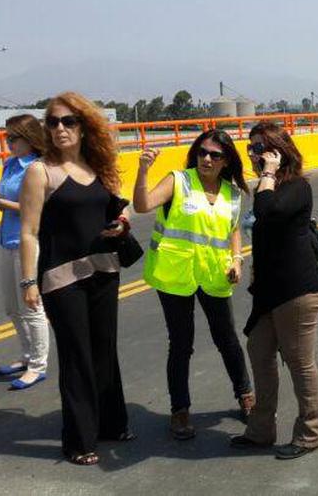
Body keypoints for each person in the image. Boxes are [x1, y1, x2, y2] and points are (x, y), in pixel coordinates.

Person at [18, 92, 133, 465]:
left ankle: (112, 424)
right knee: (77, 356)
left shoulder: (98, 165)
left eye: (68, 121)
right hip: (60, 279)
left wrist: (121, 225)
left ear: (84, 127)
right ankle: (80, 441)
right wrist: (28, 282)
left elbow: (117, 206)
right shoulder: (41, 171)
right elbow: (29, 232)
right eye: (52, 123)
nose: (60, 129)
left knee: (104, 349)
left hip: (104, 270)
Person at [134, 130, 254, 440]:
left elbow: (233, 230)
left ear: (226, 160)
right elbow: (143, 204)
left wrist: (237, 260)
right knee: (181, 343)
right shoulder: (179, 180)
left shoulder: (233, 194)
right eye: (202, 152)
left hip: (214, 274)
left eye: (215, 154)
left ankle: (246, 395)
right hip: (176, 275)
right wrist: (143, 170)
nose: (207, 158)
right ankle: (180, 410)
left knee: (227, 338)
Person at [231, 121, 318, 460]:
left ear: (278, 151)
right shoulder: (266, 186)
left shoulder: (298, 187)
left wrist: (269, 174)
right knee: (259, 352)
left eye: (261, 148)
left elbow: (267, 211)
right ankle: (260, 430)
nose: (255, 155)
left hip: (297, 289)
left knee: (300, 362)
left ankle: (309, 433)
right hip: (268, 291)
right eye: (251, 148)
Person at [0, 114, 51, 390]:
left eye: (13, 138)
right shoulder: (10, 164)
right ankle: (26, 355)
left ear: (29, 138)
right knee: (12, 307)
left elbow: (32, 208)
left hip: (28, 242)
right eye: (6, 137)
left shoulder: (36, 168)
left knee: (31, 305)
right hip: (6, 238)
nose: (8, 143)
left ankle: (38, 364)